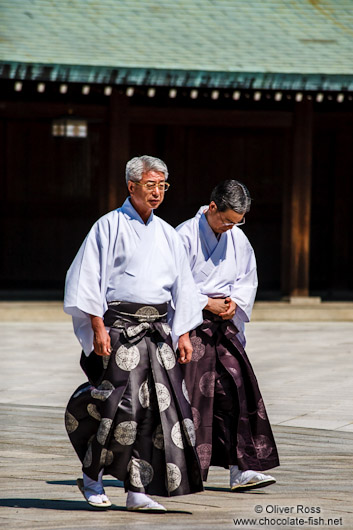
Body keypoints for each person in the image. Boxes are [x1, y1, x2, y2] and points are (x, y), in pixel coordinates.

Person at [64, 155, 204, 512]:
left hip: (157, 331)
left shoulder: (168, 233)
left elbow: (183, 287)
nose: (157, 192)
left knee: (155, 411)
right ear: (132, 186)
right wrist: (97, 327)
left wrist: (183, 333)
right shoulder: (108, 226)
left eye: (162, 185)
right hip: (119, 328)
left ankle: (137, 489)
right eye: (150, 185)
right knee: (117, 407)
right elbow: (87, 278)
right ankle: (93, 476)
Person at [176, 179, 279, 492]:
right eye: (227, 220)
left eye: (238, 221)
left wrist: (235, 303)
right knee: (192, 397)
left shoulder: (238, 239)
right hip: (193, 325)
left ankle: (241, 469)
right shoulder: (183, 235)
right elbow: (174, 284)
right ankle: (183, 468)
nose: (231, 227)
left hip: (224, 325)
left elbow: (248, 280)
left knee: (236, 388)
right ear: (211, 208)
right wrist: (206, 301)